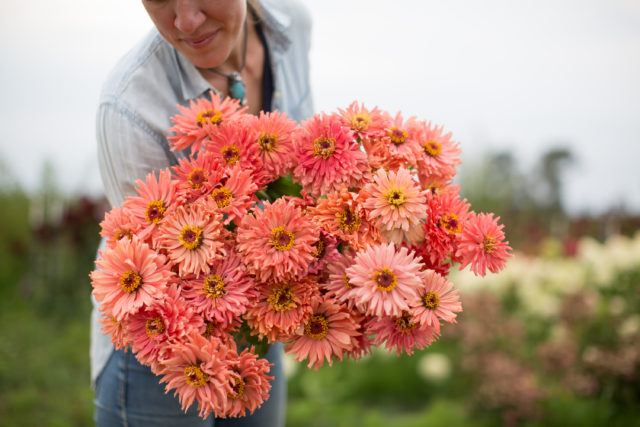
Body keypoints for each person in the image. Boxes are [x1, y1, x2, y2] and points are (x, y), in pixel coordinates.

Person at [91, 1, 314, 425]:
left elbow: (308, 166)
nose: (185, 21)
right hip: (159, 341)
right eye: (159, 0)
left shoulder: (291, 27)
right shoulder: (129, 106)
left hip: (261, 320)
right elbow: (153, 271)